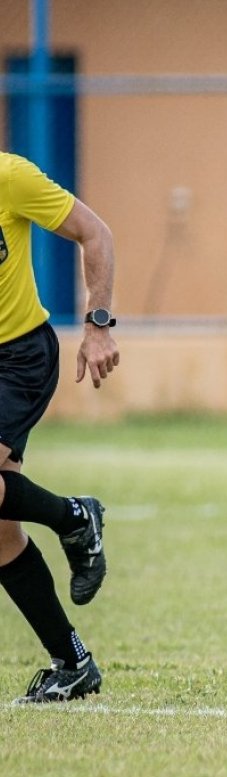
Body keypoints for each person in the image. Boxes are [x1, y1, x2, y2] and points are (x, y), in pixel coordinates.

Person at [0, 151, 117, 703]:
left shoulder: (9, 176)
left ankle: (75, 516)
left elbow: (96, 235)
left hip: (19, 357)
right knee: (0, 533)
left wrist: (97, 327)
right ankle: (72, 664)